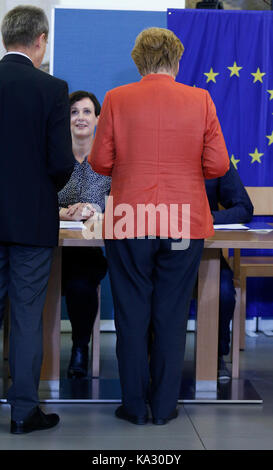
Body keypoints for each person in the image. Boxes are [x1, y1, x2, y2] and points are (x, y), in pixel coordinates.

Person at [89, 27, 230, 425]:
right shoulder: (200, 99)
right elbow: (217, 166)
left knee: (132, 316)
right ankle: (165, 407)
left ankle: (134, 407)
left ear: (137, 60)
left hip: (129, 219)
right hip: (183, 221)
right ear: (178, 59)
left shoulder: (116, 99)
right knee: (170, 316)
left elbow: (100, 162)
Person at [0, 6, 74, 434]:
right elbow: (62, 163)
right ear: (41, 40)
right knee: (27, 317)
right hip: (31, 222)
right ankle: (23, 412)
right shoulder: (52, 88)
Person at [58, 91, 111, 378]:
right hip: (48, 249)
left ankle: (80, 347)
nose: (80, 117)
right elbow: (36, 200)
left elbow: (120, 205)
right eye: (73, 112)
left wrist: (95, 212)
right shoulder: (54, 157)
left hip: (88, 250)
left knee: (81, 286)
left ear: (98, 119)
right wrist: (63, 213)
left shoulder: (108, 160)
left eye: (86, 112)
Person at [206, 165, 253, 379]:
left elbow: (244, 208)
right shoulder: (153, 150)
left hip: (204, 253)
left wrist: (209, 217)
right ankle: (150, 357)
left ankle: (216, 355)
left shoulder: (214, 160)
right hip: (160, 252)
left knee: (224, 289)